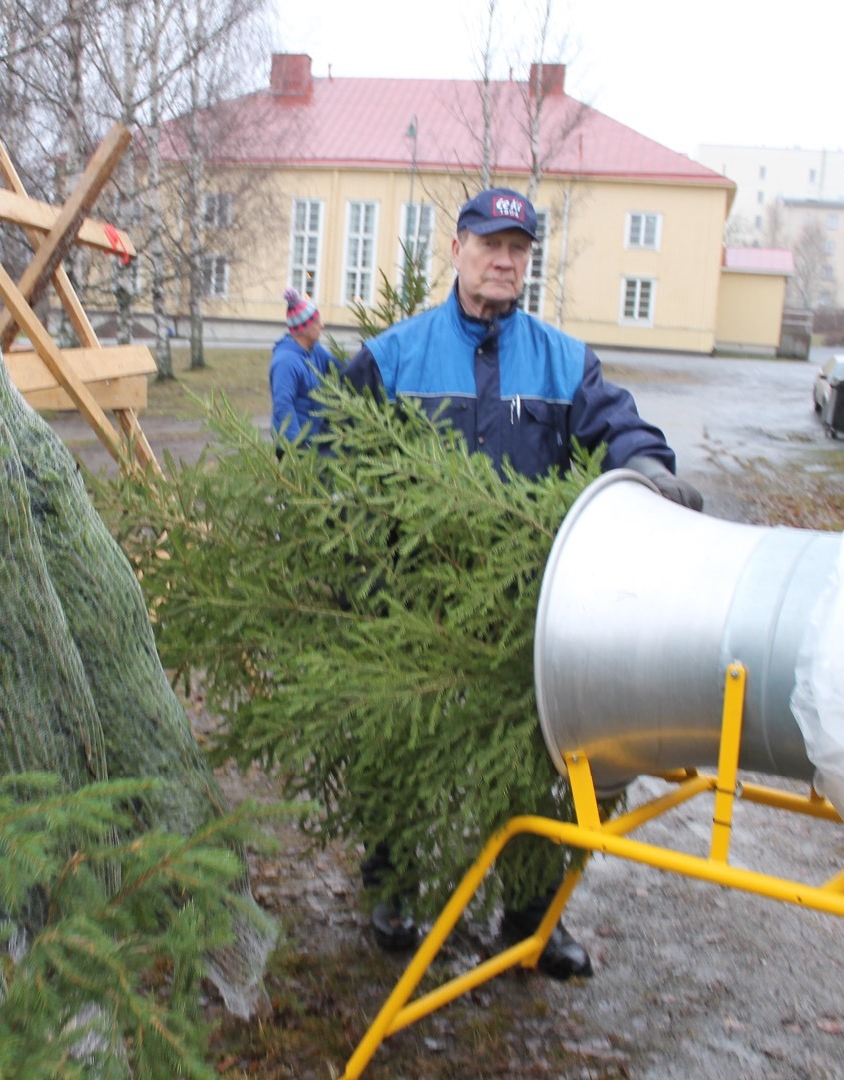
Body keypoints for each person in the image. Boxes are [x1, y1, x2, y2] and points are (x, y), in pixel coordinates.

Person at [341, 186, 703, 980]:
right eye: (489, 244)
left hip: (531, 607)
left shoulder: (564, 362)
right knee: (400, 745)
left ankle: (531, 920)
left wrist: (648, 469)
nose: (504, 260)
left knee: (542, 758)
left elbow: (623, 430)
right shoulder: (396, 356)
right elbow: (333, 447)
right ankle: (393, 890)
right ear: (458, 249)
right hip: (415, 599)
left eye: (518, 249)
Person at [270, 287, 337, 446]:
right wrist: (299, 444)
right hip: (293, 447)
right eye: (317, 321)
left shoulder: (315, 350)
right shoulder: (285, 362)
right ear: (304, 328)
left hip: (314, 438)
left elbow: (342, 368)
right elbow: (283, 406)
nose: (322, 325)